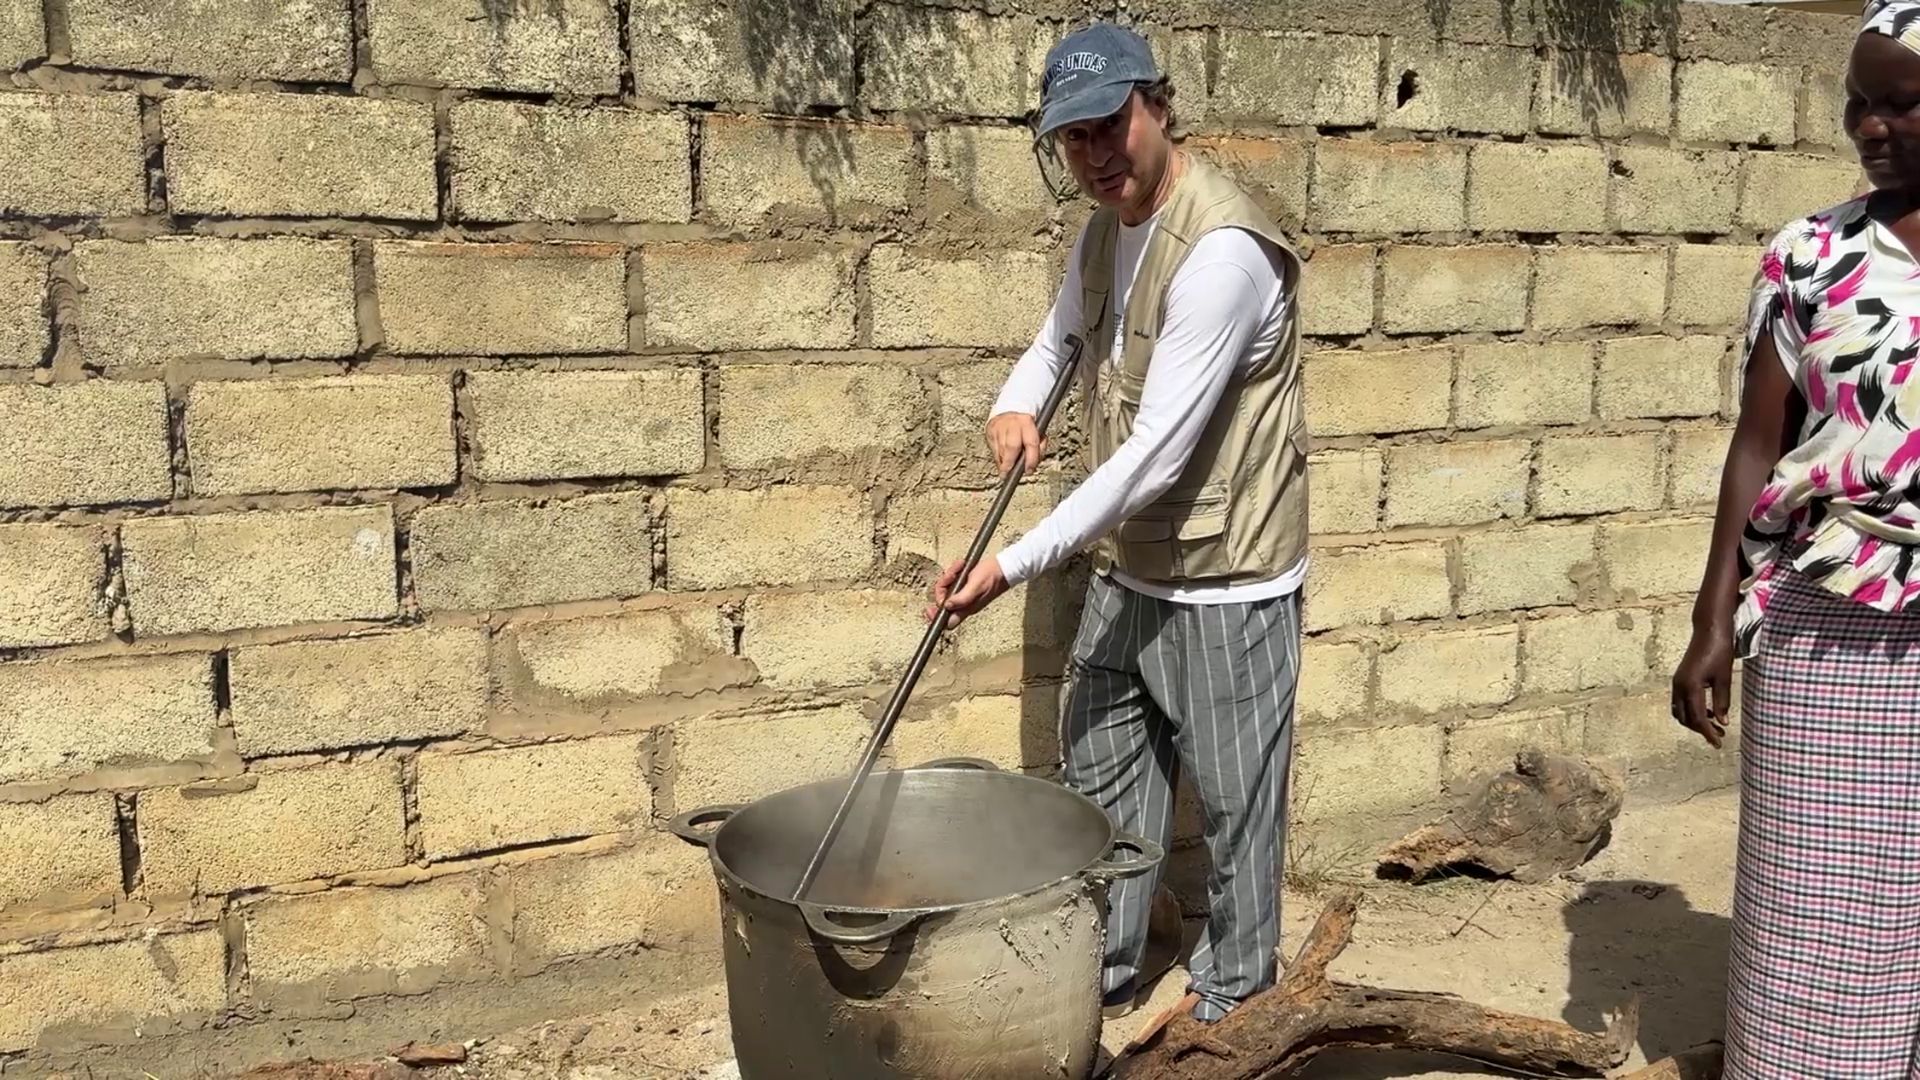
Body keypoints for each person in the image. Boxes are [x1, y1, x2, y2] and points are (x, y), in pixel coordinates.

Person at [926, 20, 1309, 1025]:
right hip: (1130, 573)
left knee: (1233, 816)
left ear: (1158, 106)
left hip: (1226, 580)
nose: (1095, 156)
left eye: (1109, 127)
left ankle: (1235, 1010)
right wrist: (1018, 403)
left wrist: (1009, 565)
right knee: (1101, 792)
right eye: (1073, 139)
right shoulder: (1106, 230)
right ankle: (1096, 976)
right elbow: (1058, 344)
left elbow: (1155, 458)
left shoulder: (1222, 251)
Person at [1671, 2, 1920, 1075]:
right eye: (1858, 103)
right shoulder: (1811, 256)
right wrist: (1709, 617)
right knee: (1816, 899)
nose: (1870, 126)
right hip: (1831, 618)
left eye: (1899, 102)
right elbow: (1754, 444)